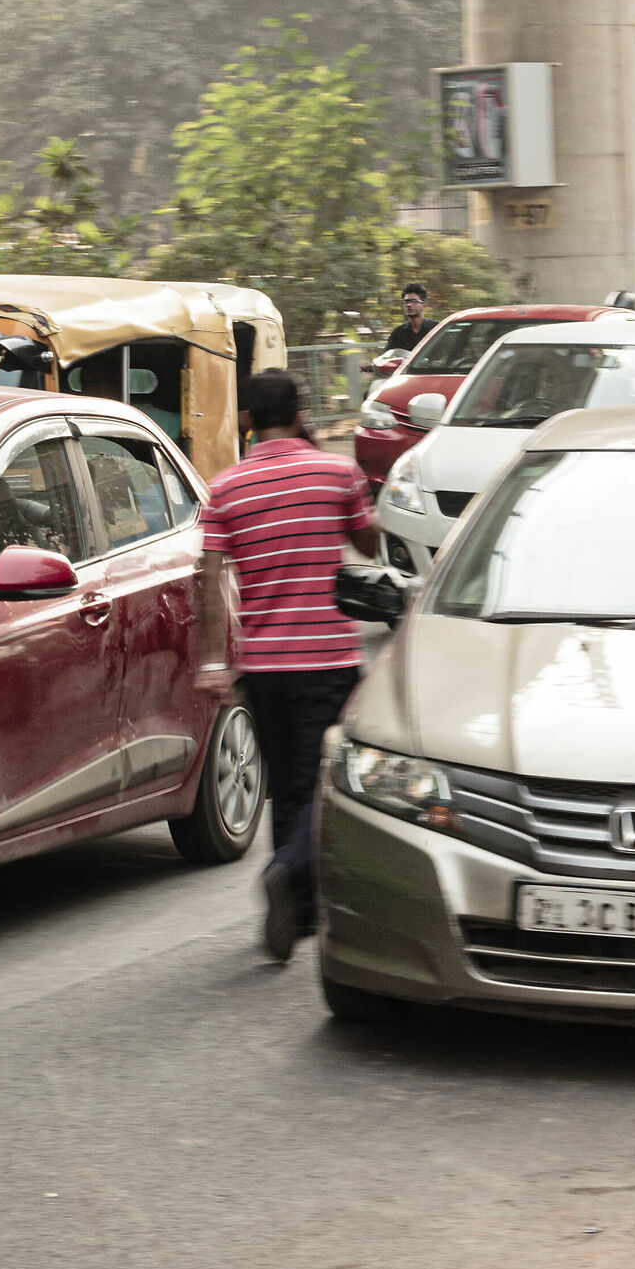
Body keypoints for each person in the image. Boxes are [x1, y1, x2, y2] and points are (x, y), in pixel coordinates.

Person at [195, 369, 379, 961]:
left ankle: (292, 920)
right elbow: (369, 544)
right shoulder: (337, 473)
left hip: (265, 668)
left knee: (287, 789)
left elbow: (208, 578)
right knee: (323, 785)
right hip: (328, 659)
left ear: (247, 420)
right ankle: (287, 869)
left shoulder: (226, 489)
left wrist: (212, 661)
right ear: (300, 414)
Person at [383, 284, 431, 354]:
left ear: (424, 305)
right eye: (406, 302)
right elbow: (386, 356)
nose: (408, 305)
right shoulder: (398, 332)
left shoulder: (436, 329)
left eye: (414, 301)